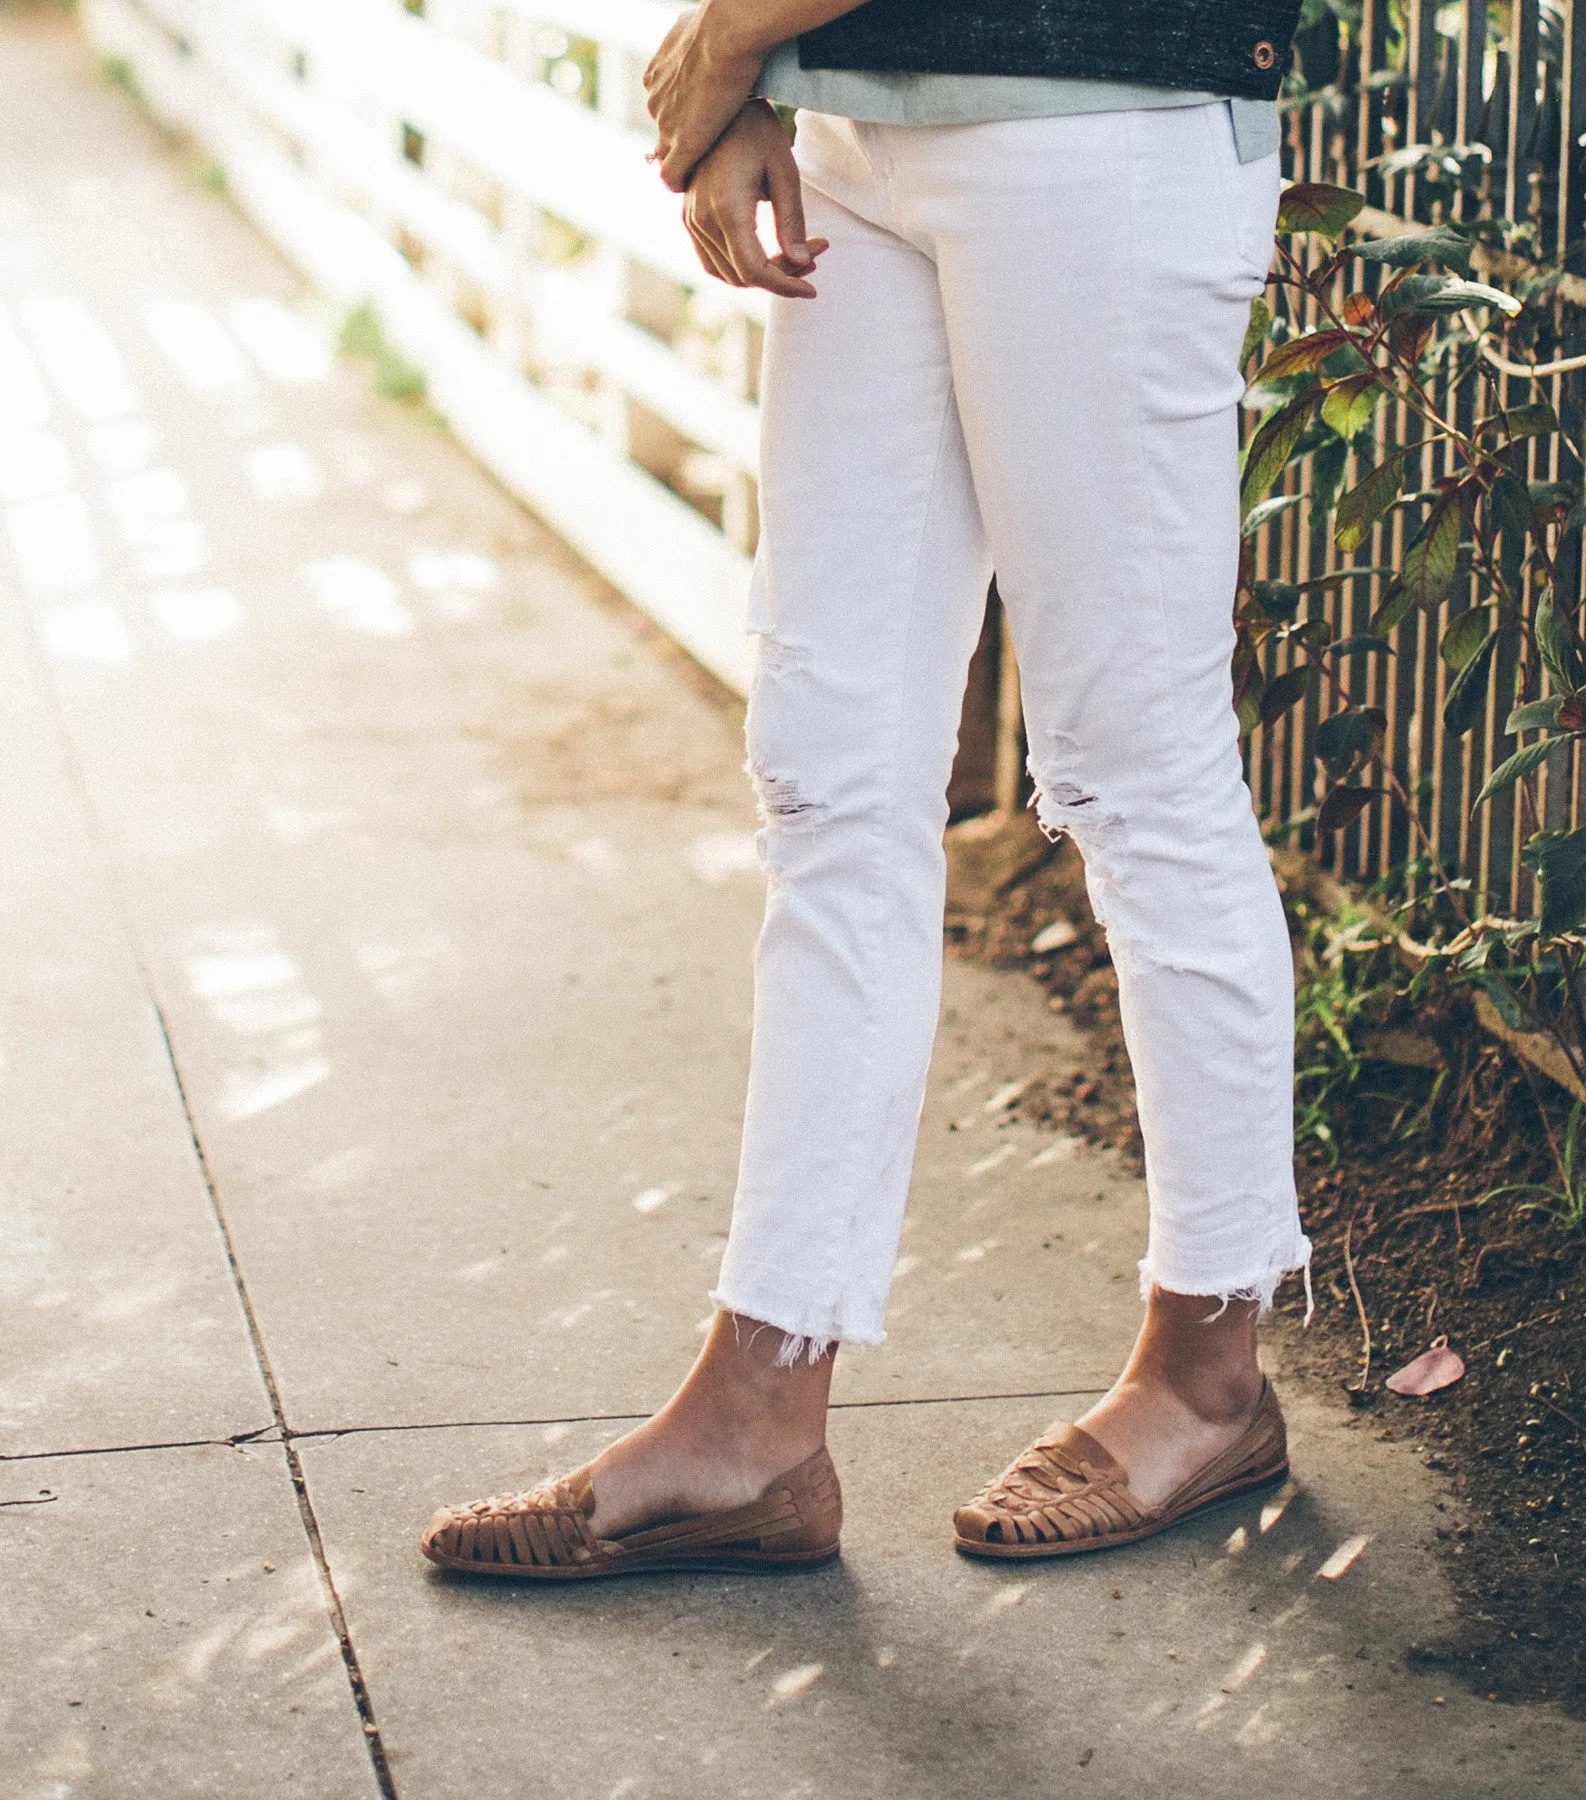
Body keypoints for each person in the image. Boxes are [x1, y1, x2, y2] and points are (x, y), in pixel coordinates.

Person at [422, 0, 1311, 1579]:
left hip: (1097, 121)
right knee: (828, 782)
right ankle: (757, 1411)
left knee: (1135, 771)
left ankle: (1209, 1374)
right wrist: (761, 73)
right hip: (849, 127)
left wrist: (731, 38)